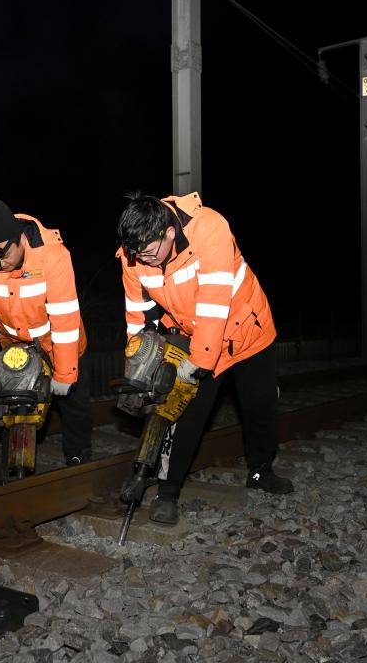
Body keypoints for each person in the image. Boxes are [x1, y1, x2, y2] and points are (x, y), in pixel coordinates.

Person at [116, 191, 293, 525]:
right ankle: (167, 493)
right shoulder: (135, 258)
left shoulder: (210, 229)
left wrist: (197, 361)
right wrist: (140, 359)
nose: (145, 261)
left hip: (246, 331)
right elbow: (137, 315)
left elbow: (214, 303)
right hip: (193, 332)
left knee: (260, 406)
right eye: (138, 255)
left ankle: (261, 472)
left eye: (151, 253)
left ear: (168, 232)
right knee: (183, 410)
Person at [0, 194, 92, 465]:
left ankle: (78, 461)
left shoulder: (53, 256)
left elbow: (65, 319)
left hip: (59, 344)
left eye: (2, 255)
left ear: (20, 239)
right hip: (14, 343)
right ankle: (15, 467)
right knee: (13, 406)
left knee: (74, 405)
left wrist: (65, 374)